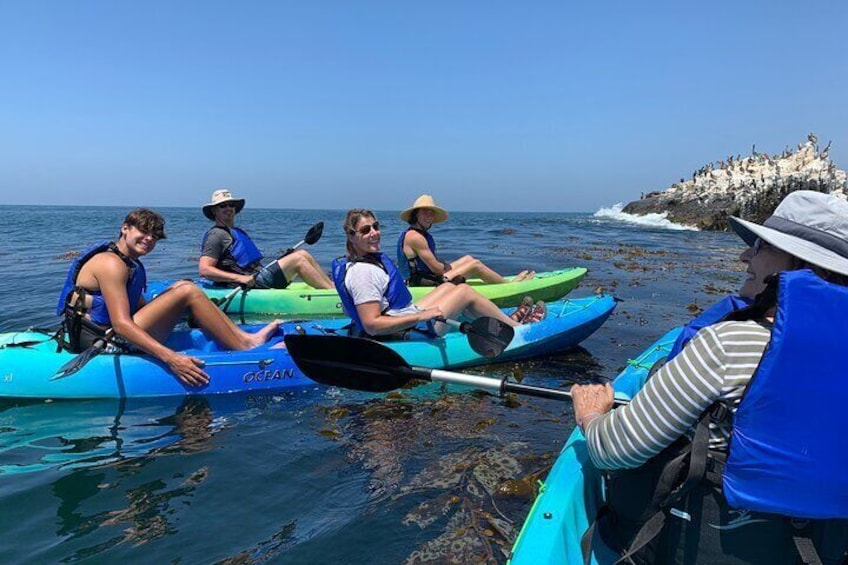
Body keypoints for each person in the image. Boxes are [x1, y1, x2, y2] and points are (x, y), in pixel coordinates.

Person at [571, 190, 848, 564]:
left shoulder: (730, 344)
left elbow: (614, 450)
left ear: (801, 268)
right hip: (819, 549)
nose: (745, 255)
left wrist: (592, 415)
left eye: (762, 246)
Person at [57, 209, 280, 387]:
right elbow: (121, 324)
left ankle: (242, 337)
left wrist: (171, 296)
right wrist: (171, 359)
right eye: (143, 232)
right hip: (103, 341)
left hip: (108, 332)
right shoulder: (111, 263)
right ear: (125, 229)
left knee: (183, 287)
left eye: (155, 236)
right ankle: (246, 348)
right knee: (188, 292)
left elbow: (140, 306)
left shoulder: (128, 262)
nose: (149, 239)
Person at [332, 209, 546, 339]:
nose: (374, 233)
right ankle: (518, 331)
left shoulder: (365, 262)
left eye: (375, 226)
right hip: (408, 330)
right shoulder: (363, 273)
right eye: (365, 230)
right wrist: (420, 316)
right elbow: (371, 325)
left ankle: (502, 321)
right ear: (351, 237)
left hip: (403, 317)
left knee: (450, 287)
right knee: (463, 292)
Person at [199, 189, 333, 290]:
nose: (228, 208)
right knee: (298, 260)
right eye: (223, 205)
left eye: (231, 204)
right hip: (249, 283)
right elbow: (204, 270)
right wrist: (240, 278)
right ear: (214, 211)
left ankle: (332, 289)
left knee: (303, 253)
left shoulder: (237, 232)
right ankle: (334, 298)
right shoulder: (216, 235)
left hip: (259, 274)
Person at [396, 194, 534, 285]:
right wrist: (444, 265)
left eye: (431, 212)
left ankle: (501, 280)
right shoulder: (415, 237)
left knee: (469, 259)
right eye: (425, 211)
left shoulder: (415, 234)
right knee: (475, 265)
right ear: (415, 214)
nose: (429, 215)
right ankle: (509, 286)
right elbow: (437, 270)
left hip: (426, 277)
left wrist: (444, 265)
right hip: (420, 283)